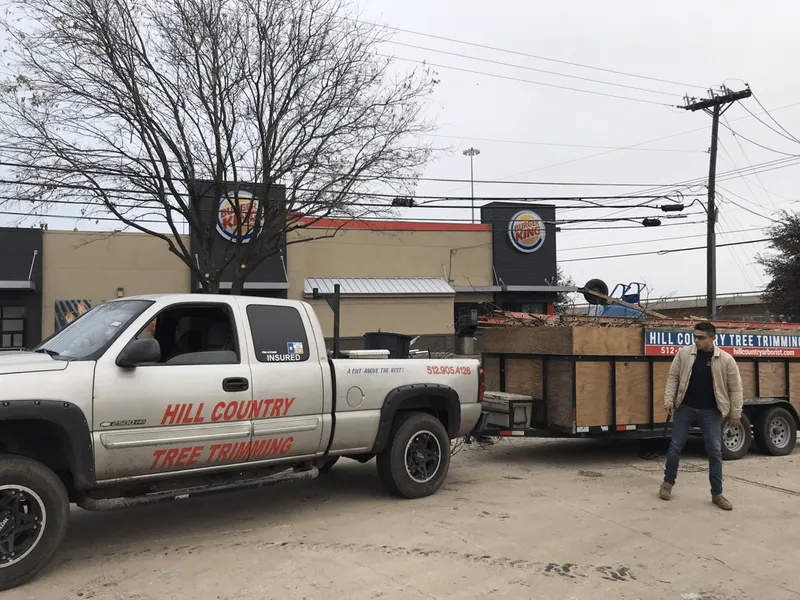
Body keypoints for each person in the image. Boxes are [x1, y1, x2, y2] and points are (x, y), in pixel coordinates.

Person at [660, 321, 743, 510]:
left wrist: (735, 412)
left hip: (711, 411)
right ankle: (667, 483)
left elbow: (735, 388)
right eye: (694, 337)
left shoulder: (726, 359)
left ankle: (717, 494)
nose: (696, 341)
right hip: (685, 407)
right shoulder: (685, 354)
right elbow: (673, 376)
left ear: (713, 338)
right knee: (675, 446)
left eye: (700, 338)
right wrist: (668, 399)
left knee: (715, 451)